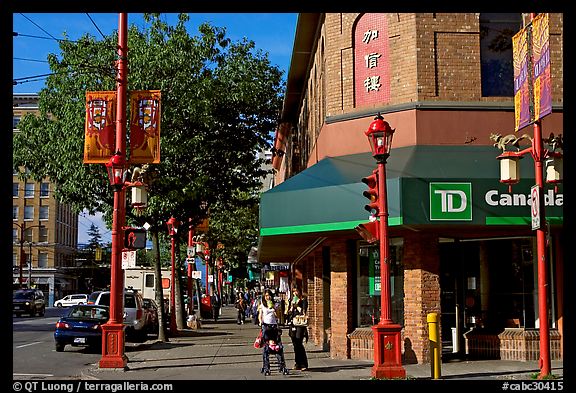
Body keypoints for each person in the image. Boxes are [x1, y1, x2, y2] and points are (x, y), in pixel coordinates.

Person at [288, 287, 309, 371]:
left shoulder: (303, 300)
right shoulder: (292, 300)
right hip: (293, 323)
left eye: (296, 291)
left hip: (300, 323)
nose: (295, 293)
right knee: (295, 344)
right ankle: (297, 363)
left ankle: (304, 363)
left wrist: (297, 306)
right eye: (293, 292)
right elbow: (289, 313)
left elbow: (303, 312)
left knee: (299, 343)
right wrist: (290, 308)